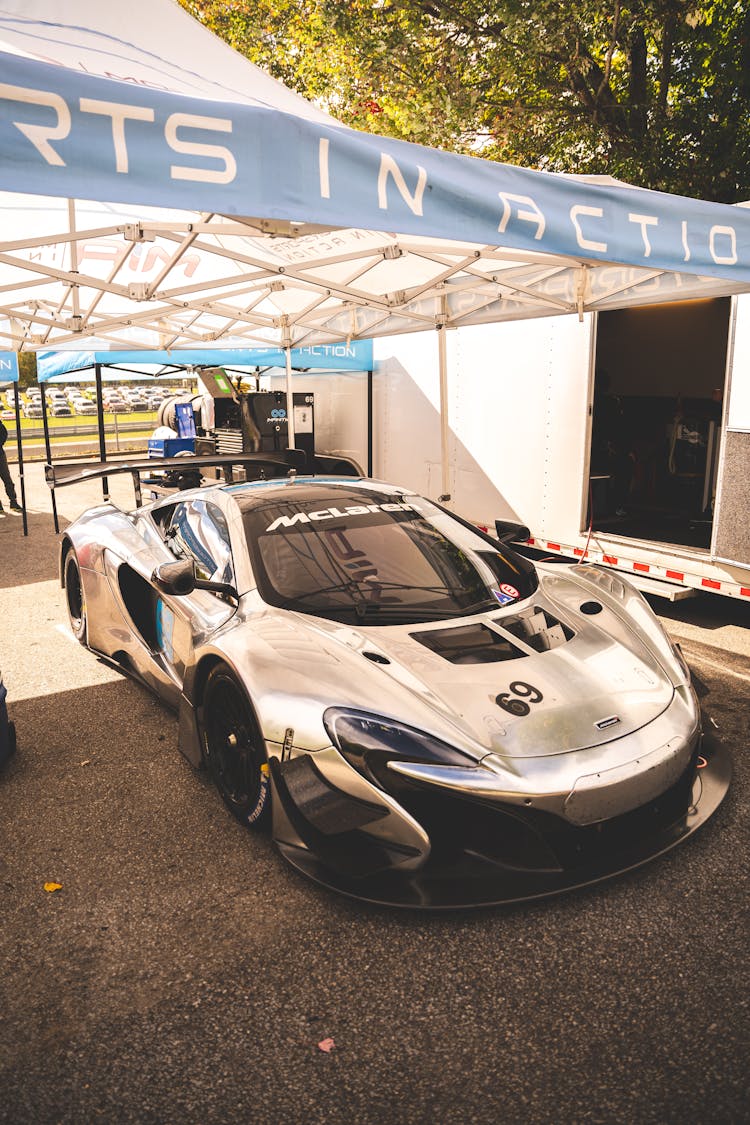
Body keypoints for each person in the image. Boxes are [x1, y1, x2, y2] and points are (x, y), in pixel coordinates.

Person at [0, 418, 22, 516]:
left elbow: (3, 434)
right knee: (7, 479)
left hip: (0, 455)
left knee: (7, 479)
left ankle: (13, 501)